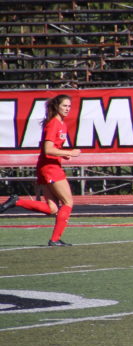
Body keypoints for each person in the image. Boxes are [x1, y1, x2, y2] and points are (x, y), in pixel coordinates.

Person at [0, 93, 82, 246]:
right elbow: (48, 149)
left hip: (47, 166)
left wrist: (63, 155)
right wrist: (69, 152)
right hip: (50, 168)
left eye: (69, 106)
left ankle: (17, 201)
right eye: (64, 105)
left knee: (52, 208)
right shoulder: (54, 124)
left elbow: (52, 149)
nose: (67, 109)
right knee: (68, 202)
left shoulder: (60, 124)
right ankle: (55, 239)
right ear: (56, 106)